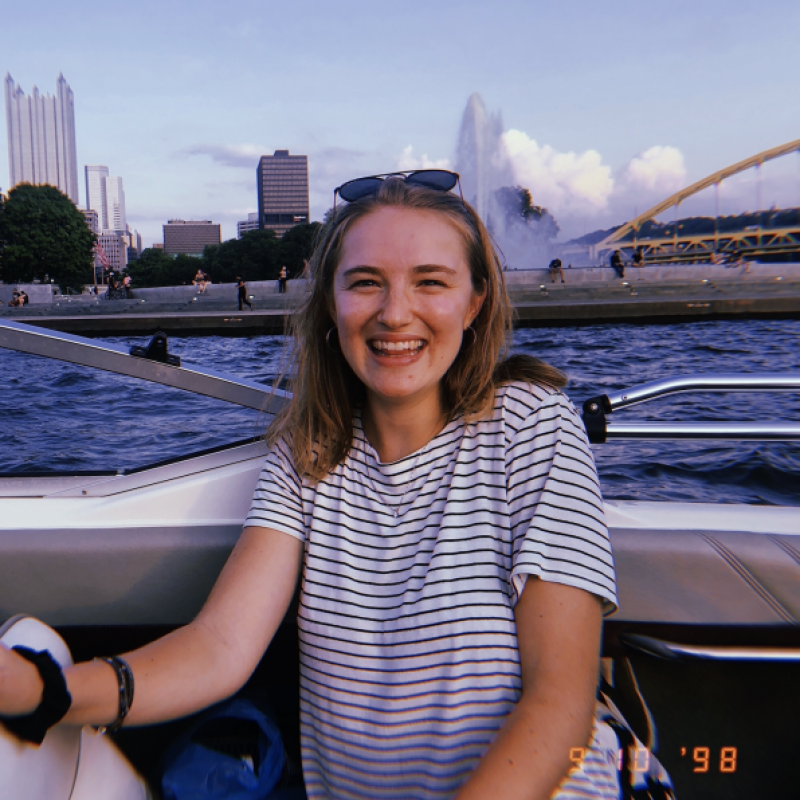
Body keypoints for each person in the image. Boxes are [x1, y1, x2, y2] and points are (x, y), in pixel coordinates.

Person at [0, 172, 644, 800]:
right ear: (332, 305)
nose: (396, 313)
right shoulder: (307, 452)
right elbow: (220, 647)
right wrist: (45, 691)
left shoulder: (530, 423)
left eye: (430, 282)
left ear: (474, 302)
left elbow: (560, 704)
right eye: (366, 283)